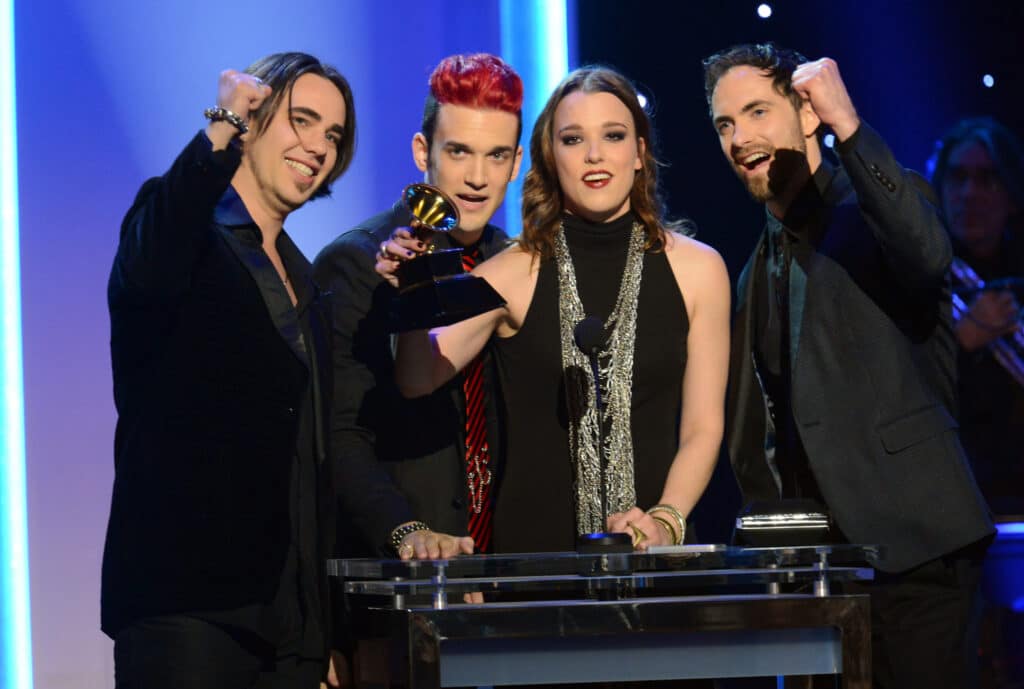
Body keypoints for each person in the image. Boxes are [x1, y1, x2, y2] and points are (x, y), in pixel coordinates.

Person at [102, 52, 470, 689]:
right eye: (301, 121)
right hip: (187, 607)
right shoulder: (181, 231)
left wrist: (317, 627)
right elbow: (151, 257)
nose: (319, 146)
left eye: (333, 135)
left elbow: (322, 445)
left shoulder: (306, 279)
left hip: (290, 625)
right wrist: (220, 128)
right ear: (256, 117)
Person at [702, 43, 994, 688]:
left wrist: (851, 127)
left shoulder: (876, 206)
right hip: (827, 572)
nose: (740, 137)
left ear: (808, 114)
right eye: (725, 123)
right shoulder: (753, 270)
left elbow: (924, 255)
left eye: (756, 112)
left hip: (920, 553)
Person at [378, 66, 730, 553]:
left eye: (613, 135)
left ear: (639, 153)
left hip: (659, 561)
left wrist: (667, 520)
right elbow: (416, 378)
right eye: (572, 139)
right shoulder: (511, 271)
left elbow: (703, 426)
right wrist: (411, 293)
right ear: (549, 158)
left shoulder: (700, 270)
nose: (594, 155)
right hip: (536, 568)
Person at [312, 54, 523, 556]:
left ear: (516, 164)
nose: (477, 177)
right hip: (393, 581)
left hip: (501, 570)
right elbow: (339, 435)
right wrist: (406, 532)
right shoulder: (354, 262)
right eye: (458, 152)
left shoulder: (513, 262)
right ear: (422, 150)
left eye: (496, 156)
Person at [929, 116, 1024, 517]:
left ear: (1012, 193)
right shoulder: (918, 275)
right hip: (955, 500)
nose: (970, 193)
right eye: (958, 178)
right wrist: (964, 337)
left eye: (988, 179)